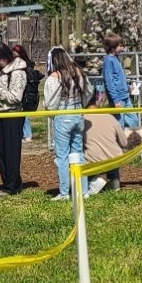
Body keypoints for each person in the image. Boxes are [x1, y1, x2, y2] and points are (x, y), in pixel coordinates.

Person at [42, 46, 89, 201]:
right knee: (78, 153)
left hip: (63, 117)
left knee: (62, 156)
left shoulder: (54, 77)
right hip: (78, 115)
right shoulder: (78, 74)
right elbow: (88, 92)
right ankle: (83, 190)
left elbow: (50, 103)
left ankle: (64, 192)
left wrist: (48, 107)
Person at [0, 42, 27, 196]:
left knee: (11, 152)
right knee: (1, 151)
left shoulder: (17, 72)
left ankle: (11, 186)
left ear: (1, 58)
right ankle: (11, 182)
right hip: (3, 114)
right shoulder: (3, 72)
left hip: (13, 115)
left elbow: (15, 97)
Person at [83, 88, 128, 194]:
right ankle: (114, 181)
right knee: (112, 157)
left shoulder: (82, 120)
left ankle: (94, 180)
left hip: (94, 161)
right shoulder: (110, 117)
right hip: (115, 159)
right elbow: (124, 142)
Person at [101, 31, 140, 129]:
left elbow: (118, 79)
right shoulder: (108, 61)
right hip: (118, 98)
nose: (122, 48)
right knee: (119, 124)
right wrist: (115, 100)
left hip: (125, 96)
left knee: (133, 120)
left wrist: (128, 88)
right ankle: (119, 142)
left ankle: (126, 138)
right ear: (113, 47)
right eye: (120, 46)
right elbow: (109, 82)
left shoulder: (116, 59)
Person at [11, 43, 36, 141]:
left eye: (16, 55)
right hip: (18, 91)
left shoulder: (25, 66)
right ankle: (23, 133)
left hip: (25, 92)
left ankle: (27, 134)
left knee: (24, 114)